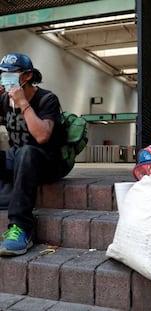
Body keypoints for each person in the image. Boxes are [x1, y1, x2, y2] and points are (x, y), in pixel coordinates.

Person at [0, 53, 69, 256]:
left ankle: (21, 227)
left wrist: (23, 104)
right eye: (2, 73)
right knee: (18, 154)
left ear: (27, 75)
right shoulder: (4, 100)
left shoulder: (47, 99)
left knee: (27, 152)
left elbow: (41, 136)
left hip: (47, 161)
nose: (5, 77)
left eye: (11, 73)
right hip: (17, 159)